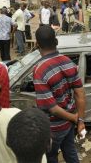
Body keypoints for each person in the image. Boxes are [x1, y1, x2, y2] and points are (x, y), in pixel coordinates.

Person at [33, 26, 86, 163]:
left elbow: (52, 108)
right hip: (69, 124)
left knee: (50, 157)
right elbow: (80, 93)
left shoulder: (40, 70)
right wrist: (80, 120)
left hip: (53, 127)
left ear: (37, 44)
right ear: (56, 41)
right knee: (70, 152)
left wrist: (75, 118)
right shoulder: (68, 62)